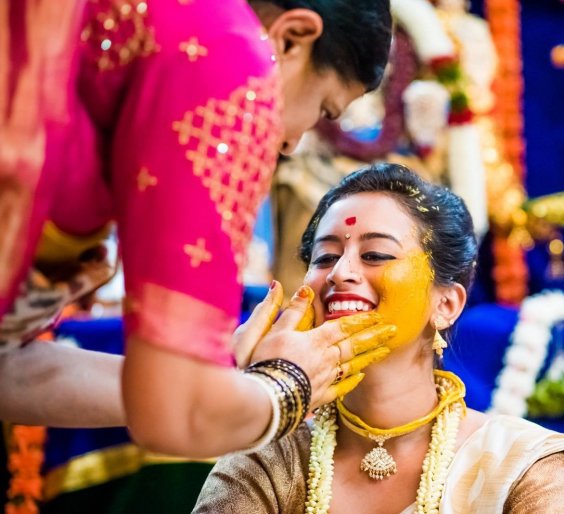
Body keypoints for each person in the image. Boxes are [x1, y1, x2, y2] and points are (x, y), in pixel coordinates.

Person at [0, 0, 393, 458]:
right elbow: (176, 417)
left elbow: (10, 372)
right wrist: (290, 383)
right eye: (324, 108)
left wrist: (215, 378)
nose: (290, 143)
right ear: (290, 39)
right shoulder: (228, 56)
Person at [193, 164, 564, 513]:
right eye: (326, 256)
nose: (342, 272)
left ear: (446, 304)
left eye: (376, 255)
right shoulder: (272, 459)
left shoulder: (519, 467)